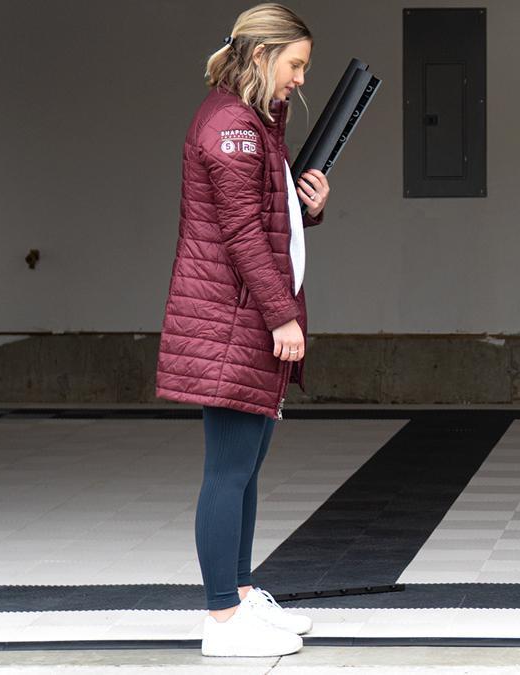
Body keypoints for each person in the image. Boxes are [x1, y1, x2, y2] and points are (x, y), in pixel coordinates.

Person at [155, 3, 332, 658]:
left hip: (238, 318)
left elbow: (265, 214)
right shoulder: (233, 127)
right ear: (262, 56)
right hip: (230, 323)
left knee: (245, 465)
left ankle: (240, 591)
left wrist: (306, 207)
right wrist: (282, 313)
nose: (299, 80)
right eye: (295, 65)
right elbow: (240, 234)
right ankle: (222, 616)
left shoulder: (256, 122)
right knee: (228, 469)